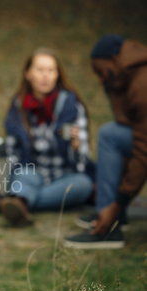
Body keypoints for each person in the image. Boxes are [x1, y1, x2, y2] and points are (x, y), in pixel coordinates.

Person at [0, 48, 95, 226]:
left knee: (83, 184)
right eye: (40, 70)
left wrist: (77, 146)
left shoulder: (72, 106)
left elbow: (82, 162)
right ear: (28, 73)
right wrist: (6, 177)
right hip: (32, 171)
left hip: (64, 175)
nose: (45, 76)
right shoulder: (18, 106)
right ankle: (19, 200)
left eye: (51, 70)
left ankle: (19, 201)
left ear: (58, 75)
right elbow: (12, 152)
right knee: (23, 175)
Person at [65, 35, 147, 249]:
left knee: (109, 136)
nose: (100, 79)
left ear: (113, 59)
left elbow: (142, 153)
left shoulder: (142, 85)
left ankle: (108, 227)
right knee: (112, 134)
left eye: (100, 72)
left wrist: (117, 203)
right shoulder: (127, 75)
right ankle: (110, 214)